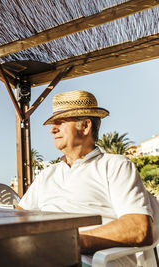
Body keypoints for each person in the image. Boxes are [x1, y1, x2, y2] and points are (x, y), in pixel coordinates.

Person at [18, 90, 157, 266]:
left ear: (85, 126)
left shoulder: (114, 165)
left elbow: (138, 228)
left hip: (91, 261)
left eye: (60, 122)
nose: (53, 129)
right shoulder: (48, 174)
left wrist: (69, 242)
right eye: (53, 123)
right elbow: (18, 218)